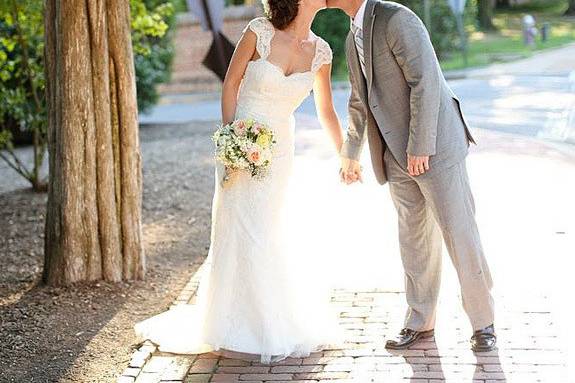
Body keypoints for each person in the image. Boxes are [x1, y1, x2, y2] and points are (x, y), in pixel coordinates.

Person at [134, 0, 344, 363]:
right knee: (238, 227)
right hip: (241, 138)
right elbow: (231, 83)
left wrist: (346, 154)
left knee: (267, 228)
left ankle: (269, 321)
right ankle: (230, 325)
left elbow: (326, 110)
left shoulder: (321, 51)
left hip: (279, 151)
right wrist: (231, 140)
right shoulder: (258, 31)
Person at [327, 0, 497, 352]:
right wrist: (350, 153)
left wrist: (421, 145)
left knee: (459, 234)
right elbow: (360, 101)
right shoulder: (351, 36)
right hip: (395, 153)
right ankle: (421, 321)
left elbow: (426, 82)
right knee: (413, 239)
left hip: (434, 146)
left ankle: (483, 324)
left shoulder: (397, 18)